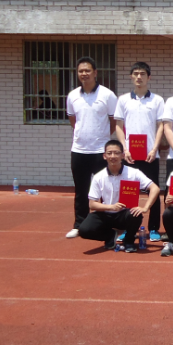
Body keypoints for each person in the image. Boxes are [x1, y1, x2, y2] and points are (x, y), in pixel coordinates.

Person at [65, 56, 117, 239]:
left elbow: (114, 121)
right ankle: (79, 224)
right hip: (79, 150)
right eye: (81, 71)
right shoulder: (72, 96)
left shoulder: (107, 95)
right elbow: (73, 120)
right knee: (81, 189)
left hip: (100, 151)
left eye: (87, 70)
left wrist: (102, 137)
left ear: (95, 73)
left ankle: (108, 224)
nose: (84, 74)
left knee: (106, 189)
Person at [78, 140, 161, 252]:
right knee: (84, 230)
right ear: (104, 156)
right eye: (109, 153)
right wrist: (111, 207)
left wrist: (145, 207)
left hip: (124, 214)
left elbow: (155, 188)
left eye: (116, 153)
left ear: (122, 155)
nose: (113, 156)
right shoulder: (98, 177)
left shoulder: (133, 173)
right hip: (106, 213)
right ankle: (110, 236)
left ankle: (129, 240)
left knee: (135, 214)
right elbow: (92, 204)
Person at [114, 62, 165, 242]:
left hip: (150, 155)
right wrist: (124, 149)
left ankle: (154, 228)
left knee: (154, 191)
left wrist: (154, 148)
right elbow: (118, 126)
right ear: (131, 76)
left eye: (142, 74)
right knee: (128, 192)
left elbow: (161, 126)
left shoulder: (157, 100)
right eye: (135, 73)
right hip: (129, 155)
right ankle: (128, 227)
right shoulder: (123, 100)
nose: (139, 77)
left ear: (148, 77)